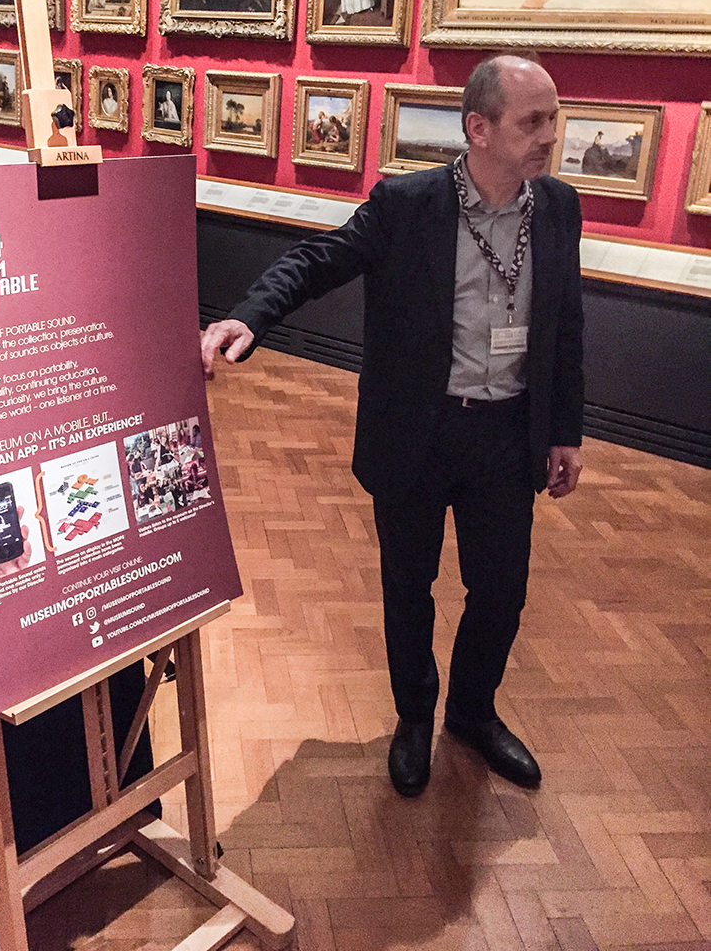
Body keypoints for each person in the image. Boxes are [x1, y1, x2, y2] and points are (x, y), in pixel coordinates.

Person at [201, 55, 584, 798]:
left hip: (508, 436)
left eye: (553, 118)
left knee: (501, 592)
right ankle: (414, 718)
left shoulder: (559, 207)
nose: (549, 135)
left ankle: (471, 712)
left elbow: (566, 323)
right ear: (478, 128)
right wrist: (249, 316)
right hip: (420, 431)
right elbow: (318, 260)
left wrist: (564, 429)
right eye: (532, 121)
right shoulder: (409, 205)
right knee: (409, 585)